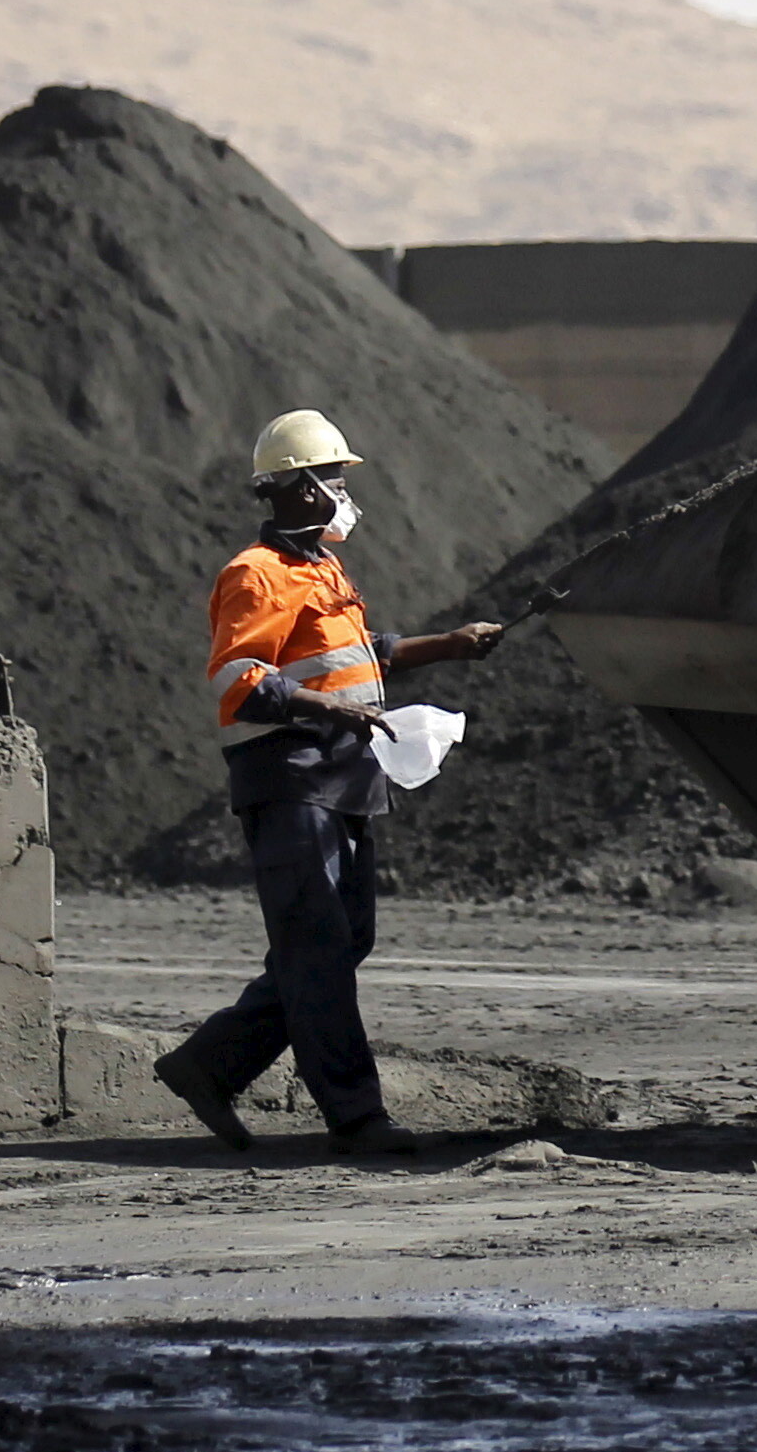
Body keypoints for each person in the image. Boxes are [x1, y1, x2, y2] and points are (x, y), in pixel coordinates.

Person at [152, 410, 504, 1159]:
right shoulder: (256, 573)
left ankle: (209, 1065)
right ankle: (355, 1114)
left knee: (342, 941)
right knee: (317, 946)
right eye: (337, 478)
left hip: (342, 779)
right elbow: (237, 679)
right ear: (303, 488)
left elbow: (359, 654)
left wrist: (451, 646)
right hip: (290, 779)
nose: (347, 492)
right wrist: (329, 707)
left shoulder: (320, 567)